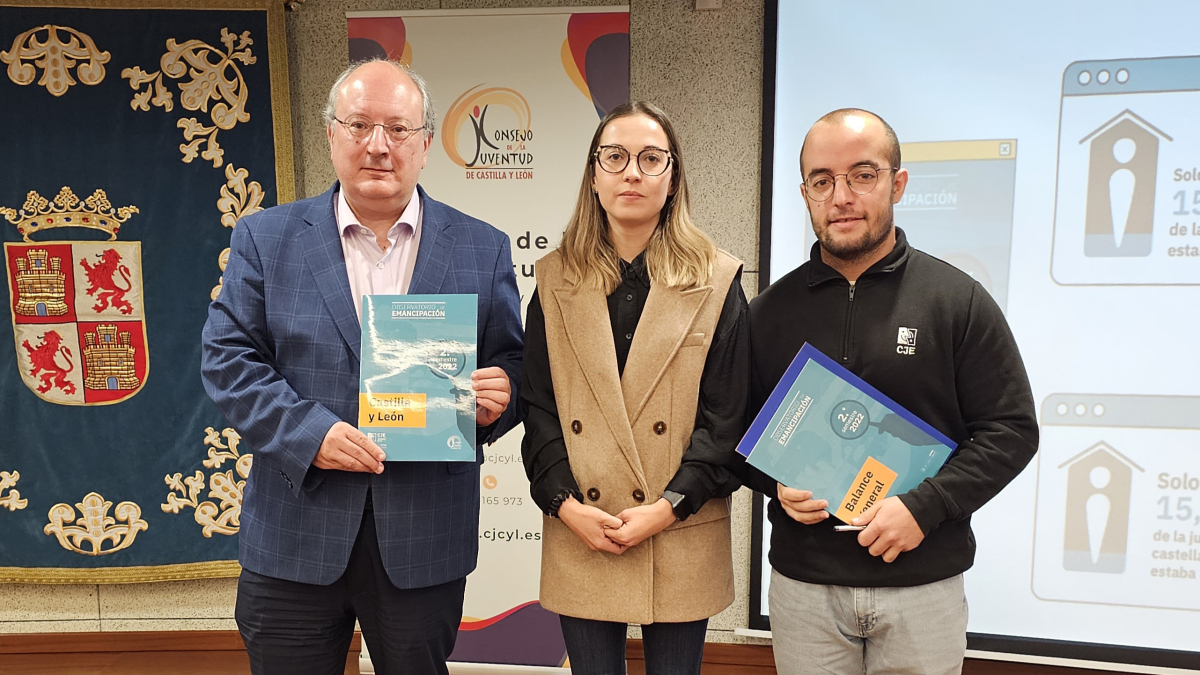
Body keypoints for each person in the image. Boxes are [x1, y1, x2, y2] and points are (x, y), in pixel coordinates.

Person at [201, 59, 523, 675]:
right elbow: (227, 358)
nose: (379, 145)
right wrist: (309, 433)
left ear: (426, 143)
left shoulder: (482, 247)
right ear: (331, 134)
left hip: (422, 537)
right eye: (359, 125)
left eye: (398, 129)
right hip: (295, 534)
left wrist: (502, 390)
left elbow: (513, 357)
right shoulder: (265, 238)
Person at [742, 109, 1038, 675]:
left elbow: (1012, 431)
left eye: (862, 175)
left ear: (897, 183)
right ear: (804, 193)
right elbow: (734, 434)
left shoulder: (956, 300)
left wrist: (924, 509)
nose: (842, 197)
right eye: (823, 181)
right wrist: (774, 485)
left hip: (922, 584)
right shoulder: (768, 313)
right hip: (805, 589)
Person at [519, 101, 749, 675]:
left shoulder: (717, 281)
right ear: (593, 176)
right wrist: (564, 505)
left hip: (680, 525)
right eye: (615, 157)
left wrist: (666, 508)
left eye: (651, 159)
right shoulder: (553, 281)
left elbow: (727, 420)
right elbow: (539, 410)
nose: (632, 172)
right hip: (581, 522)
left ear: (672, 180)